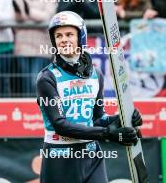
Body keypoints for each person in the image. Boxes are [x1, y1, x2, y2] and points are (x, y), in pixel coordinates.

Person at [37, 11, 143, 183]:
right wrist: (109, 133)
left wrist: (124, 118)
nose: (64, 39)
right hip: (59, 159)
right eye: (58, 36)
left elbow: (97, 118)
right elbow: (60, 125)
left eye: (69, 34)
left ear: (81, 37)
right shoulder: (47, 77)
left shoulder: (96, 74)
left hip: (91, 155)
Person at [13, 0, 57, 96]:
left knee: (36, 81)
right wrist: (28, 14)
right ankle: (28, 114)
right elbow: (17, 16)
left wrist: (27, 11)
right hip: (22, 43)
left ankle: (39, 111)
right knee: (26, 82)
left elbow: (47, 16)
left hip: (42, 44)